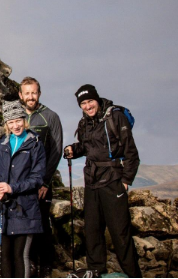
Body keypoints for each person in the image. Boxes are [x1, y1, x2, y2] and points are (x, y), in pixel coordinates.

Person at [64, 85, 141, 277]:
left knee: (120, 234)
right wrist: (74, 149)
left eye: (90, 101)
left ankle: (133, 274)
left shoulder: (115, 118)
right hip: (92, 181)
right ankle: (96, 271)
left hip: (113, 181)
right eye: (83, 103)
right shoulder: (84, 123)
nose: (88, 106)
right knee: (92, 231)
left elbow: (131, 153)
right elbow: (86, 147)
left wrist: (125, 180)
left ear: (97, 100)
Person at [0, 94, 46, 278]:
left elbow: (37, 178)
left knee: (21, 255)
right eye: (11, 122)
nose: (15, 126)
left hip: (25, 208)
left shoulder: (35, 144)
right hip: (3, 209)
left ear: (24, 120)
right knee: (5, 256)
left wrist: (12, 188)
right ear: (6, 124)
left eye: (18, 120)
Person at [19, 77, 63, 277]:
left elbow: (56, 150)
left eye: (34, 92)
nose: (30, 97)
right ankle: (30, 263)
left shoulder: (50, 116)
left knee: (42, 222)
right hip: (21, 182)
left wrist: (45, 181)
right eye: (27, 93)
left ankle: (46, 263)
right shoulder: (17, 117)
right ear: (21, 95)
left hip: (41, 181)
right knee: (25, 222)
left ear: (39, 93)